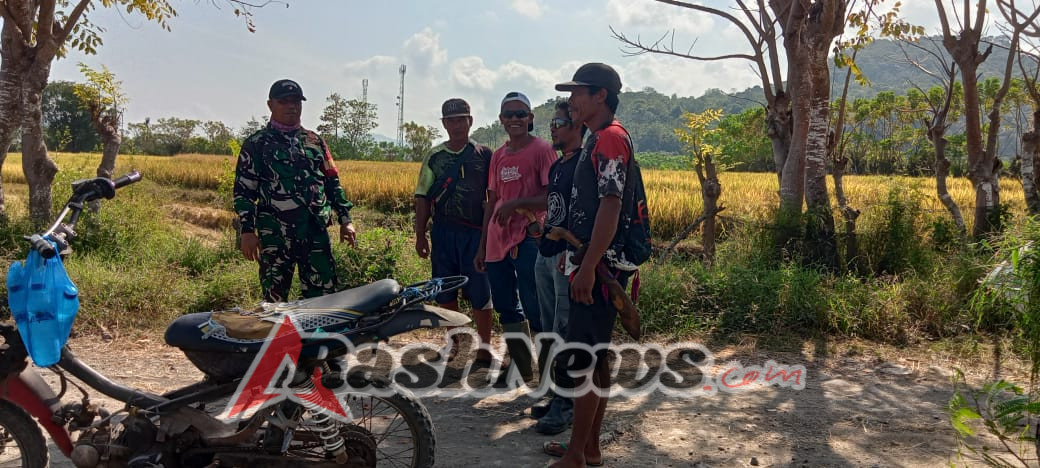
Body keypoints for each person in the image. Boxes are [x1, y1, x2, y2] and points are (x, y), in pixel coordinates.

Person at [544, 63, 639, 467]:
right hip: (598, 264)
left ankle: (577, 456)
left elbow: (611, 205)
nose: (571, 101)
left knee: (583, 357)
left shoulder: (610, 140)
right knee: (595, 358)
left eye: (579, 93)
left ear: (600, 95)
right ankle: (588, 448)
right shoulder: (597, 139)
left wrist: (587, 268)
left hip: (600, 268)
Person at [234, 79, 357, 303]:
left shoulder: (315, 142)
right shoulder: (256, 144)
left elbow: (332, 182)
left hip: (314, 233)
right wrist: (247, 231)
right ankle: (279, 338)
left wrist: (345, 220)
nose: (292, 106)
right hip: (276, 236)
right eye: (284, 101)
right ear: (270, 105)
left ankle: (318, 339)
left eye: (296, 102)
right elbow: (244, 192)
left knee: (323, 300)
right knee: (274, 301)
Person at [475, 91, 557, 382]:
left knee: (535, 306)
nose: (514, 119)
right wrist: (482, 245)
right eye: (508, 115)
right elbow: (492, 201)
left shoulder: (542, 150)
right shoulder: (498, 156)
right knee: (506, 305)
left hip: (529, 237)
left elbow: (551, 196)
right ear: (501, 119)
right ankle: (521, 368)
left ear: (530, 118)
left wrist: (515, 206)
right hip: (498, 240)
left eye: (520, 114)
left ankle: (549, 375)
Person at [414, 98, 495, 362]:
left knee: (481, 292)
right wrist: (420, 235)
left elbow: (493, 197)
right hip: (443, 233)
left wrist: (489, 236)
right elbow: (422, 197)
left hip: (475, 234)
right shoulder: (435, 157)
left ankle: (484, 348)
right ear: (444, 124)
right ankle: (454, 345)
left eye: (462, 119)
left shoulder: (485, 155)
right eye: (452, 120)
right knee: (445, 291)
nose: (458, 124)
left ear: (471, 121)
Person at [531, 101, 585, 434]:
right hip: (547, 252)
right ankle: (555, 393)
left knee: (566, 328)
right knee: (550, 328)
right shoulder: (558, 165)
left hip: (568, 255)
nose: (553, 127)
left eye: (559, 122)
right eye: (551, 122)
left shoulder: (584, 164)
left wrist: (570, 243)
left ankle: (566, 403)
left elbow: (586, 215)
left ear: (577, 125)